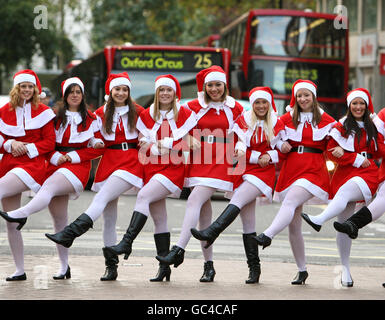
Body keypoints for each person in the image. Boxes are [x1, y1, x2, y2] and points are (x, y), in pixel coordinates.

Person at [44, 72, 145, 281]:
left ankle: (72, 232)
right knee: (109, 218)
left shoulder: (138, 111)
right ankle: (111, 266)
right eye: (117, 89)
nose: (121, 93)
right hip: (108, 161)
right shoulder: (100, 113)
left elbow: (153, 128)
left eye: (125, 89)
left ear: (129, 92)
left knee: (101, 198)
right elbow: (92, 137)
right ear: (111, 91)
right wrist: (93, 143)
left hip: (131, 161)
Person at [0, 77, 101, 279]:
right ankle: (57, 268)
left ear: (83, 95)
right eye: (70, 92)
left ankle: (22, 213)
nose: (74, 95)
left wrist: (79, 153)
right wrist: (11, 143)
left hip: (75, 165)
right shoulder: (55, 116)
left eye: (78, 92)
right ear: (64, 96)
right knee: (59, 219)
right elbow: (51, 145)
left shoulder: (90, 119)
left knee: (49, 191)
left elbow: (99, 146)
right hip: (52, 164)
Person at [104, 74, 197, 282]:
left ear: (175, 93)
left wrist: (167, 145)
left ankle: (127, 242)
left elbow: (191, 144)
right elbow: (143, 145)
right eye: (161, 90)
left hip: (173, 168)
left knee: (144, 197)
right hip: (151, 169)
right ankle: (164, 267)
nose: (165, 93)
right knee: (159, 218)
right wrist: (163, 145)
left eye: (169, 90)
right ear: (157, 93)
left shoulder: (185, 113)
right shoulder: (146, 114)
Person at [156, 66, 244, 282]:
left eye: (218, 85)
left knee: (194, 200)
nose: (214, 89)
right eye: (210, 85)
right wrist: (187, 139)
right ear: (204, 87)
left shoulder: (236, 107)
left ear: (225, 86)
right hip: (197, 160)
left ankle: (179, 249)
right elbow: (177, 127)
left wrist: (240, 149)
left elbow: (245, 132)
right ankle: (209, 266)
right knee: (204, 214)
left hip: (221, 160)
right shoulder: (193, 106)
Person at [190, 86, 285, 283]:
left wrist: (272, 154)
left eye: (264, 102)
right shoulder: (243, 120)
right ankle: (254, 269)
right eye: (257, 102)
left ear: (269, 103)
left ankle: (213, 230)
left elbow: (283, 151)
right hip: (244, 170)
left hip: (262, 175)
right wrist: (255, 154)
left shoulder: (278, 122)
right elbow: (239, 146)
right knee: (248, 223)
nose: (260, 106)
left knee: (239, 200)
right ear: (252, 104)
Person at [253, 79, 336, 285]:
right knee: (293, 226)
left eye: (306, 95)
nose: (303, 99)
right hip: (292, 168)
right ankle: (302, 270)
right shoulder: (287, 118)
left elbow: (339, 139)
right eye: (299, 95)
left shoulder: (327, 120)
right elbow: (273, 137)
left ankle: (267, 234)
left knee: (290, 201)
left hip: (314, 168)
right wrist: (281, 144)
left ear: (313, 97)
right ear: (295, 98)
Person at [302, 88, 385, 287]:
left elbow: (380, 149)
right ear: (349, 106)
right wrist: (349, 156)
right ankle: (345, 270)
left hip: (367, 172)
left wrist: (356, 155)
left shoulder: (373, 125)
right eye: (354, 103)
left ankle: (319, 219)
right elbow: (331, 151)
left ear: (366, 105)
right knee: (343, 223)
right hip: (345, 171)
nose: (358, 107)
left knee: (347, 190)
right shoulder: (340, 125)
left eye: (361, 103)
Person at [0, 69, 56, 281]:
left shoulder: (43, 111)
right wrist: (9, 143)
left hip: (31, 165)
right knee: (11, 222)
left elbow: (49, 142)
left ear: (35, 89)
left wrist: (28, 147)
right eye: (23, 86)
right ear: (16, 88)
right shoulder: (4, 110)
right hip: (8, 163)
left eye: (30, 87)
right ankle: (19, 270)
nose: (26, 90)